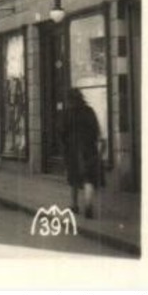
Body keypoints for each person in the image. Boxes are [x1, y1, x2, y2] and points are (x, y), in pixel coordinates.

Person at [61, 87, 101, 218]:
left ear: (69, 100)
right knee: (89, 178)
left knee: (73, 179)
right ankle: (88, 204)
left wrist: (65, 147)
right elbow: (96, 130)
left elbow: (62, 133)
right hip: (89, 149)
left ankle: (74, 205)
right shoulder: (89, 111)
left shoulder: (67, 113)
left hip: (73, 150)